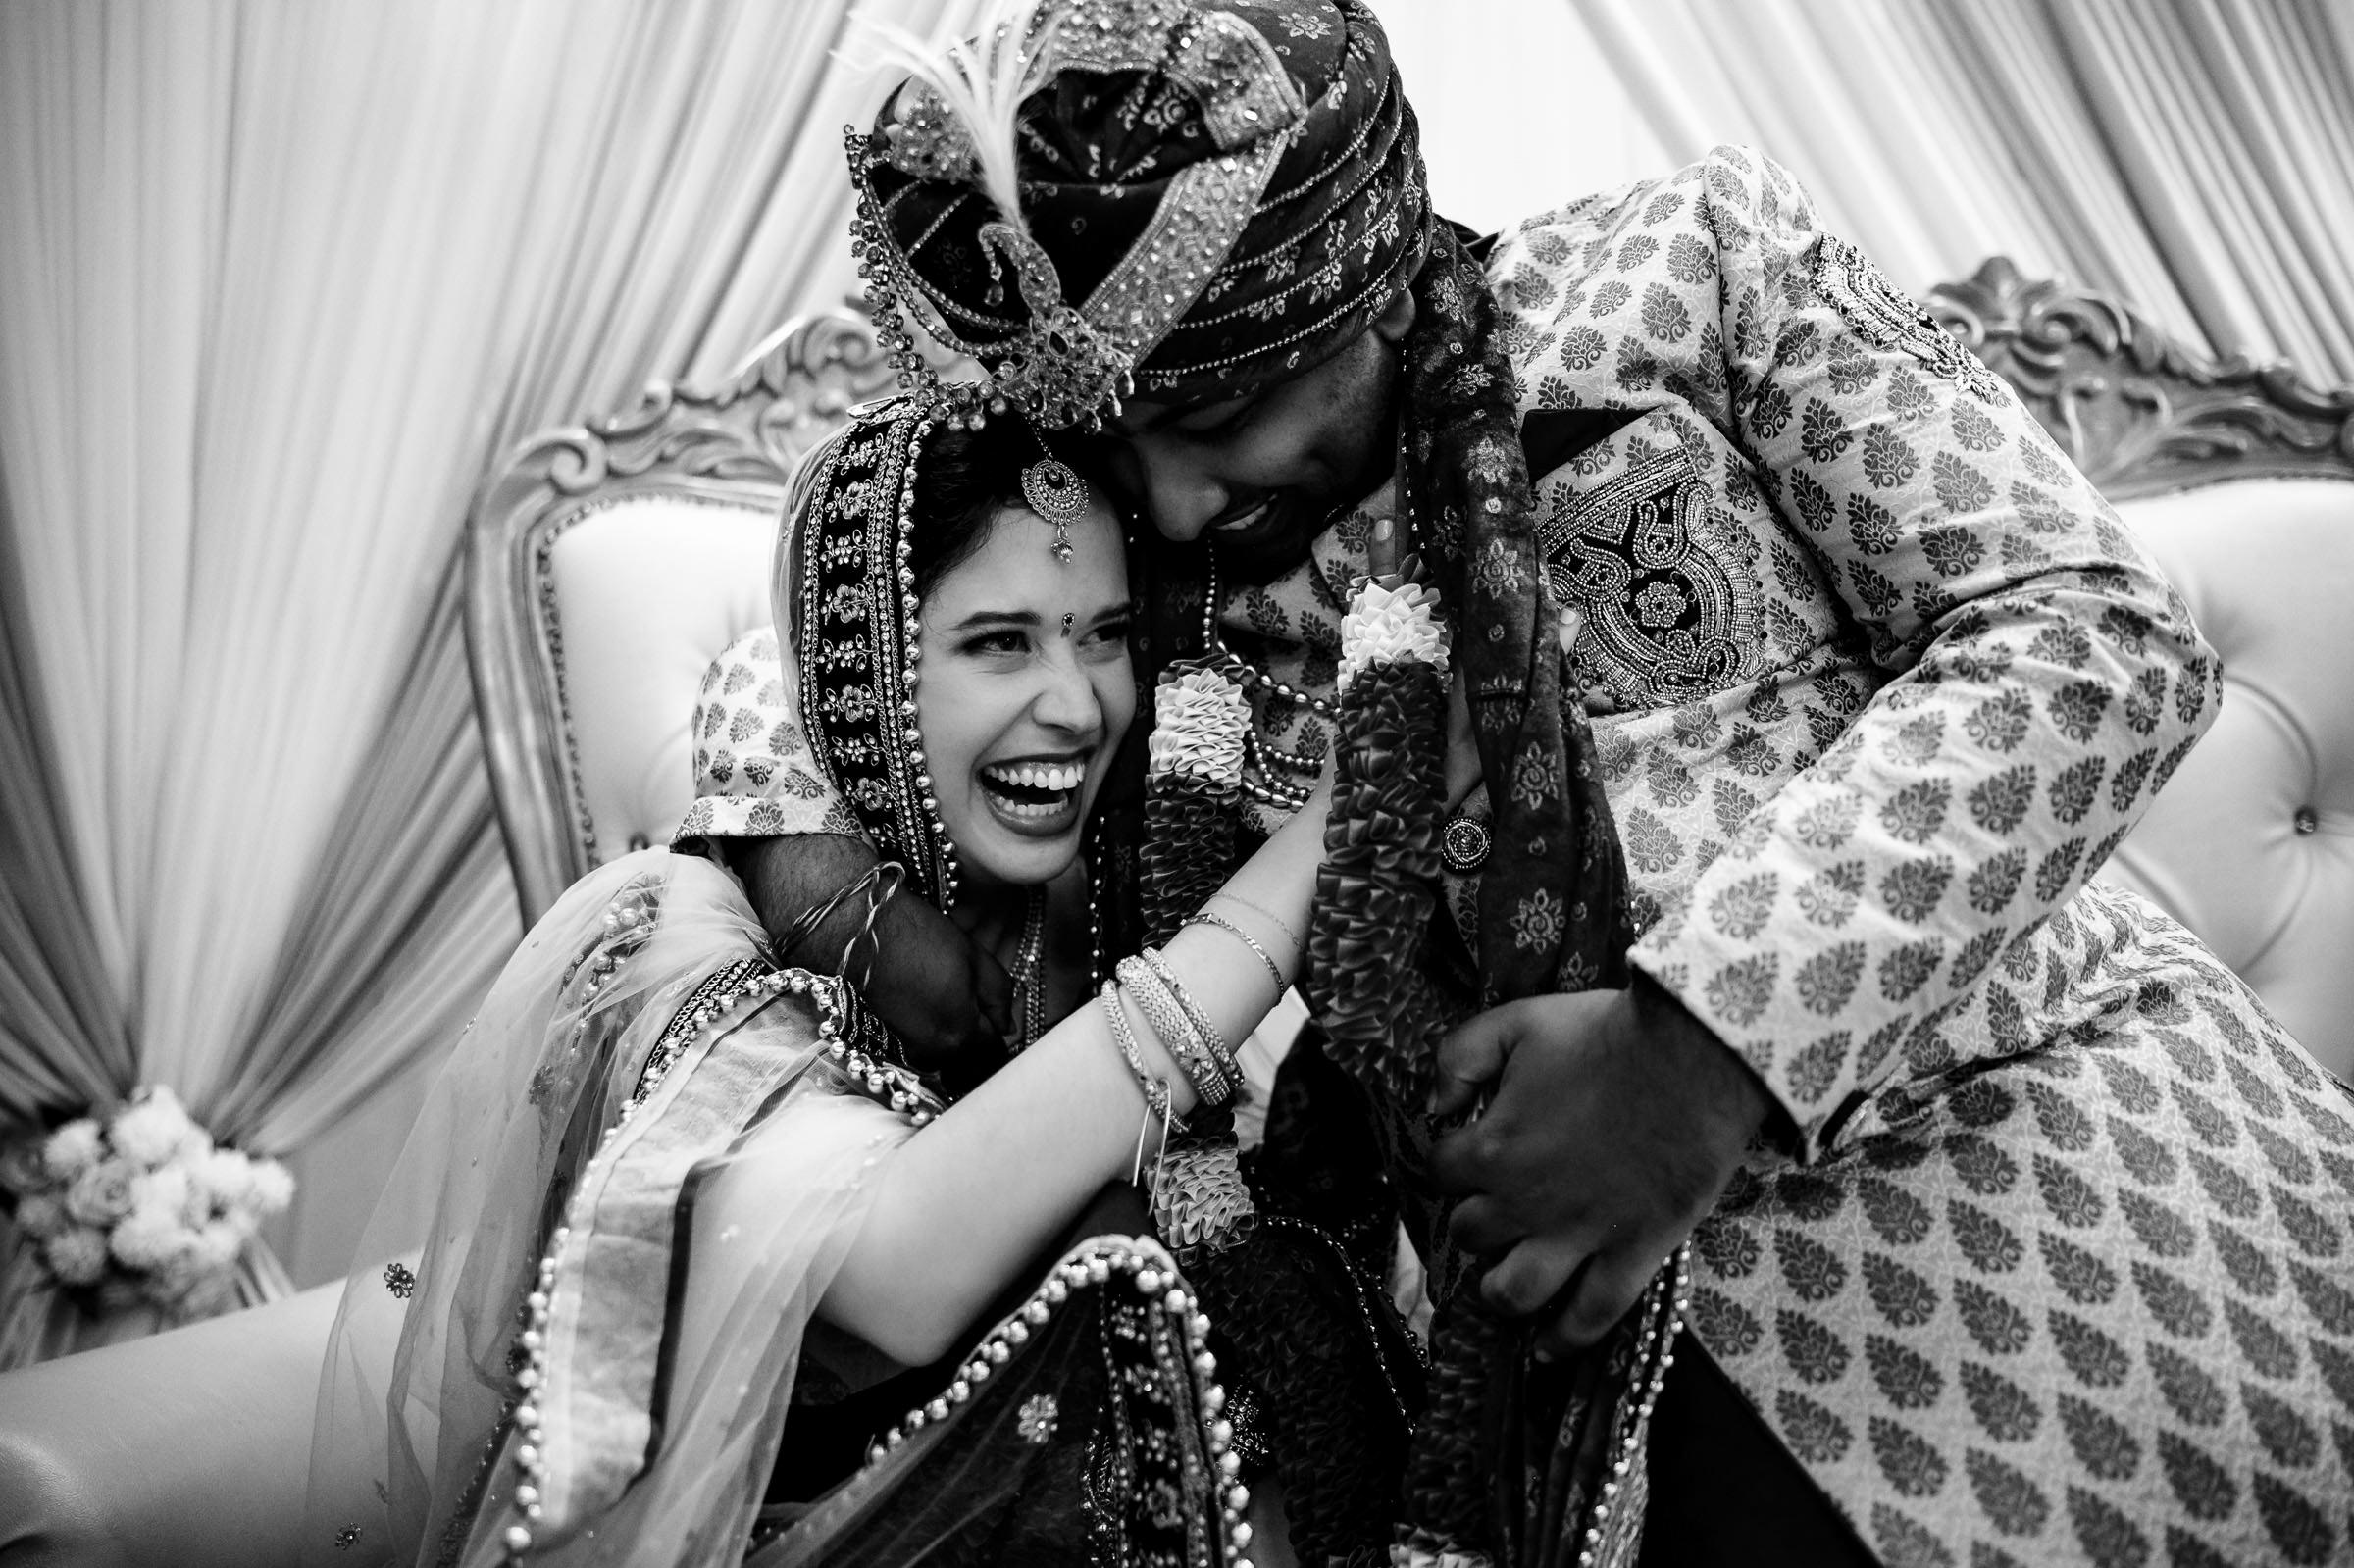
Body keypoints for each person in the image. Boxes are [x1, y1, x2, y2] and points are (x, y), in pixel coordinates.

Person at [688, 2, 2354, 1563]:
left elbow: (2095, 629)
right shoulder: (1138, 553)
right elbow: (857, 605)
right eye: (1133, 445)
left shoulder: (1684, 268)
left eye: (1230, 415)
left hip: (2076, 1215)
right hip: (1564, 1421)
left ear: (1378, 288)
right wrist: (809, 870)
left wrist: (1699, 1055)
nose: (1181, 503)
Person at [300, 390, 1411, 1567]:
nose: (1079, 705)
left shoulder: (1124, 887)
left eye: (1105, 635)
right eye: (999, 643)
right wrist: (1321, 846)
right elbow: (895, 1273)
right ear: (861, 673)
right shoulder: (681, 929)